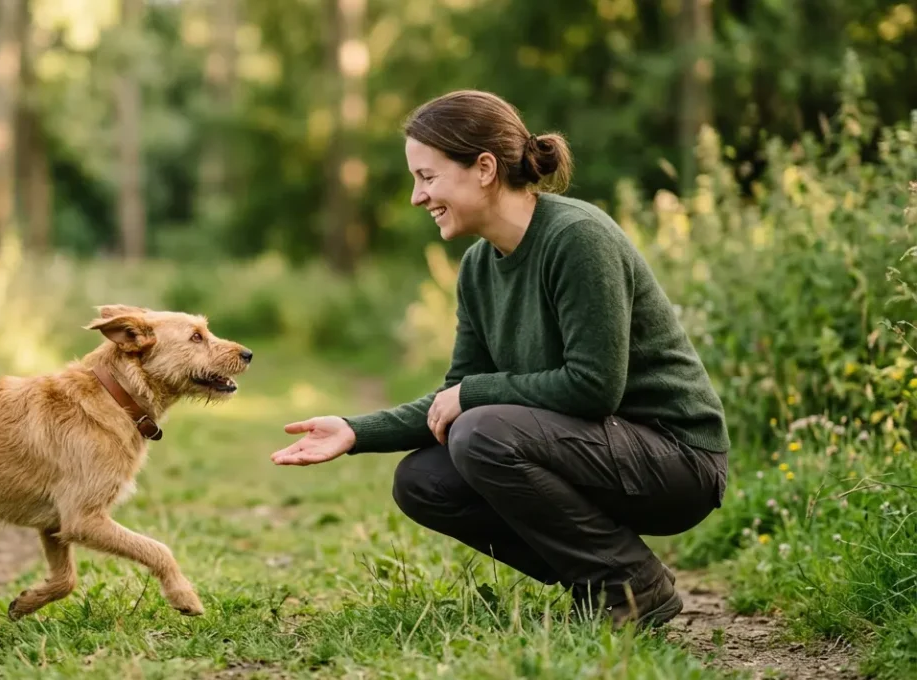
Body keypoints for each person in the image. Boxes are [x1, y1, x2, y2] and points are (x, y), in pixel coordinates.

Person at [270, 90, 729, 628]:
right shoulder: (478, 269)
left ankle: (629, 586)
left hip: (676, 459)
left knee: (481, 432)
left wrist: (472, 396)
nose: (418, 197)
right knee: (423, 481)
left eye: (428, 177)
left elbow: (594, 386)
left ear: (484, 167)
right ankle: (607, 579)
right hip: (595, 450)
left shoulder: (577, 238)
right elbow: (455, 396)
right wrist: (354, 430)